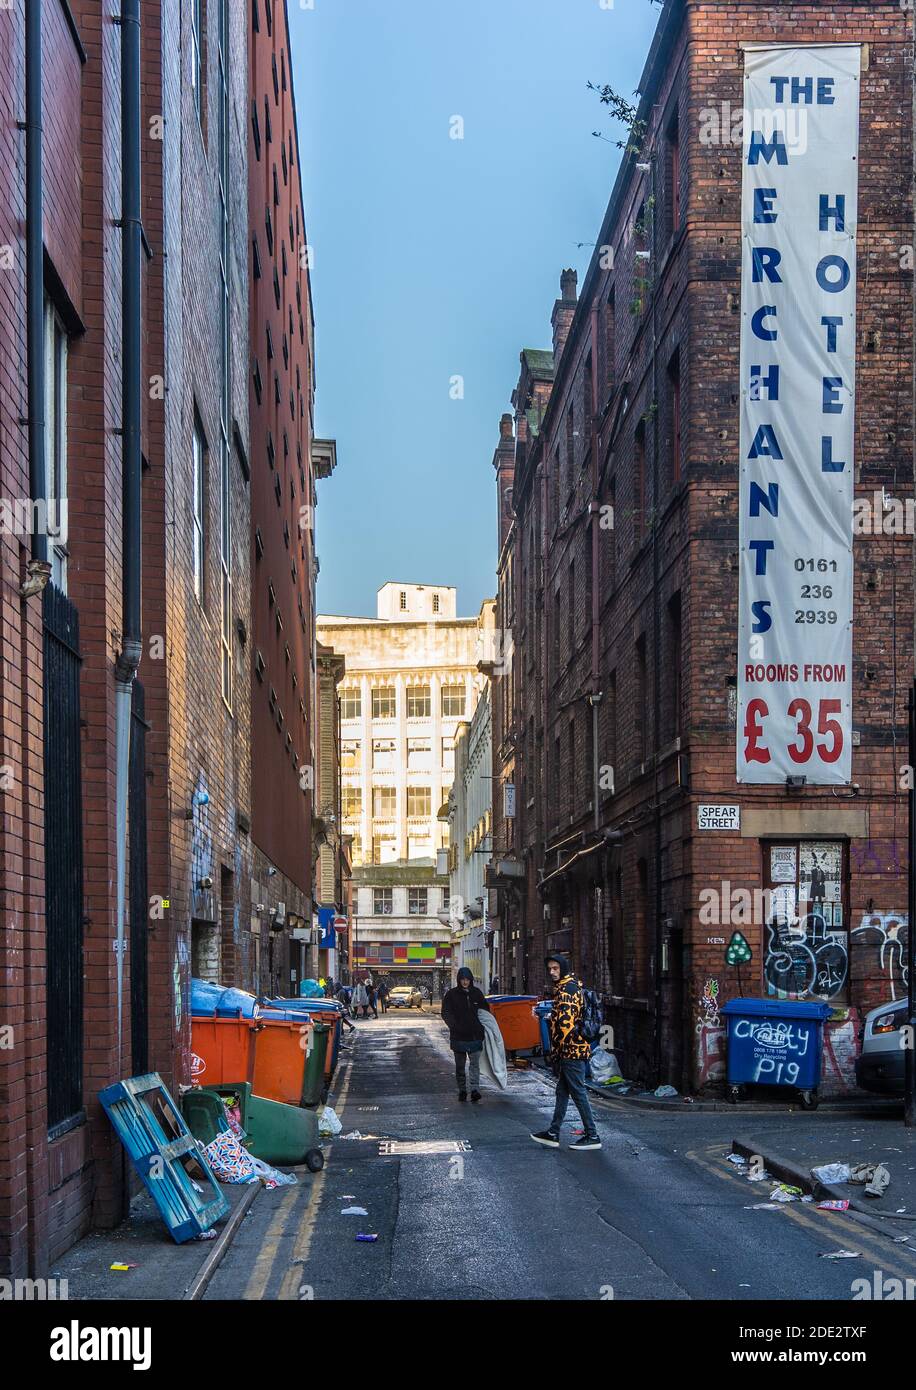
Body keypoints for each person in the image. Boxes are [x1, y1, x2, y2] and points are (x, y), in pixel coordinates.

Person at [530, 954, 601, 1151]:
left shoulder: (568, 990)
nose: (552, 972)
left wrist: (555, 1052)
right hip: (571, 1049)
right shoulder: (565, 987)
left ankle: (592, 1135)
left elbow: (566, 1026)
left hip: (571, 1050)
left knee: (578, 1092)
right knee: (562, 1091)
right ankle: (553, 1133)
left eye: (555, 968)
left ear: (563, 968)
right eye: (550, 968)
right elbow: (563, 1018)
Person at [441, 966, 490, 1102]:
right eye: (462, 979)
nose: (465, 982)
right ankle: (462, 1090)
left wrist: (482, 1027)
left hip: (475, 1036)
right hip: (459, 1037)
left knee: (475, 1064)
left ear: (471, 980)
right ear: (459, 980)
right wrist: (454, 1026)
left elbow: (485, 1011)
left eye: (467, 979)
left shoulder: (477, 993)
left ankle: (475, 1089)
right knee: (460, 1066)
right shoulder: (451, 995)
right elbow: (445, 1012)